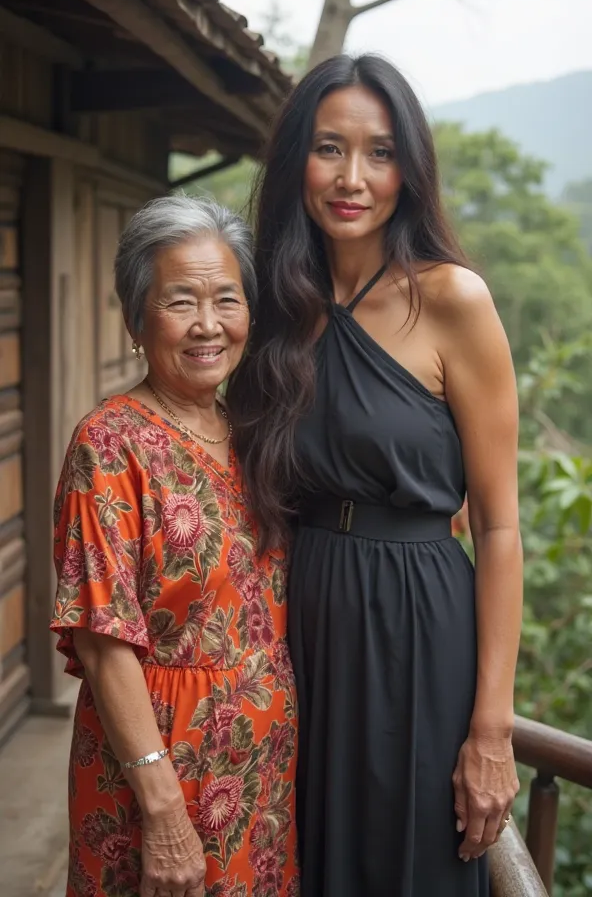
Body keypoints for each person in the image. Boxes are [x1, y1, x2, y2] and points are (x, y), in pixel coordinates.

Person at [227, 54, 523, 897]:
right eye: (329, 149)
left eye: (380, 152)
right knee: (306, 857)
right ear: (298, 162)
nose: (352, 177)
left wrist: (492, 731)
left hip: (419, 621)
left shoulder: (452, 300)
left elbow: (499, 526)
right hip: (300, 616)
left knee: (412, 863)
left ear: (410, 168)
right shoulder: (274, 303)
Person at [50, 196, 299, 897]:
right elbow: (103, 640)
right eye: (180, 301)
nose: (208, 324)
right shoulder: (109, 444)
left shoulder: (250, 435)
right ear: (135, 319)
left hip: (262, 774)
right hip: (159, 776)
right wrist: (163, 812)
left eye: (227, 298)